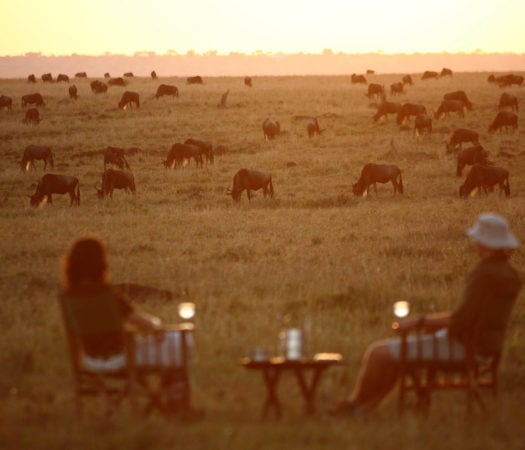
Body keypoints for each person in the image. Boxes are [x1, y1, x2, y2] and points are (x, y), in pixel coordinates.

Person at [331, 212, 522, 416]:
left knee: (377, 352)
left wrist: (418, 322)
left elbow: (461, 320)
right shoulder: (509, 274)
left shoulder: (484, 274)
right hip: (487, 349)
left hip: (463, 348)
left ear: (483, 243)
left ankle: (354, 405)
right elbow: (474, 317)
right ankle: (367, 407)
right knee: (400, 352)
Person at [59, 236, 197, 416]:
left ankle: (169, 400)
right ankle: (176, 404)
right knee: (180, 340)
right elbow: (142, 322)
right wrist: (157, 327)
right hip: (122, 358)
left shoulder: (68, 298)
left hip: (91, 360)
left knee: (174, 347)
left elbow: (73, 338)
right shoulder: (106, 296)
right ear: (101, 264)